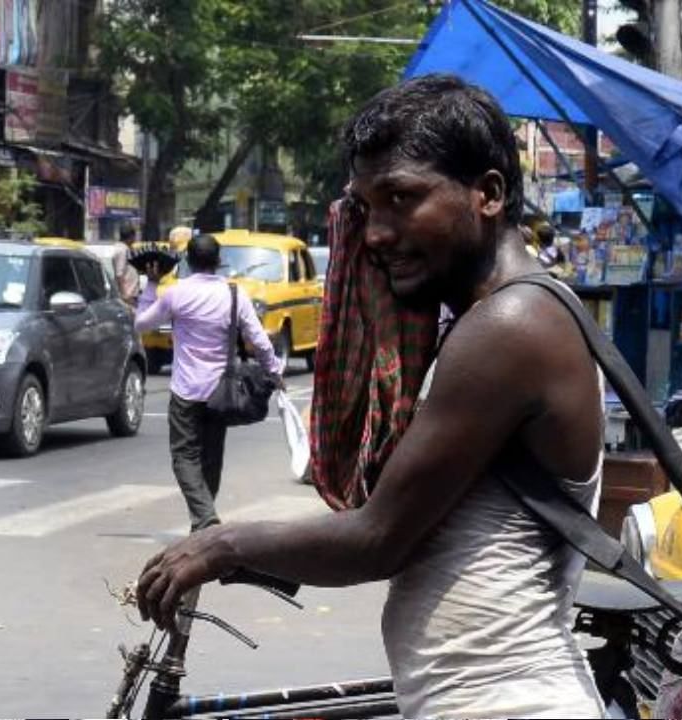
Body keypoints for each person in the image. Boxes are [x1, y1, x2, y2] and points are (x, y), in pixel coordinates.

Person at [135, 75, 607, 718]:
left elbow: (376, 538)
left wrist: (220, 546)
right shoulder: (491, 318)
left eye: (402, 198)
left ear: (488, 194)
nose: (377, 234)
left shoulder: (509, 326)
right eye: (364, 208)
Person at [133, 234, 284, 532]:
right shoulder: (234, 294)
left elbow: (141, 323)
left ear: (188, 261)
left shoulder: (175, 293)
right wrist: (275, 371)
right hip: (220, 392)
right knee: (211, 458)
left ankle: (204, 520)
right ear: (217, 262)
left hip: (186, 391)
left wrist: (152, 283)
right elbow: (259, 339)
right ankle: (203, 524)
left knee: (184, 457)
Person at [111, 223, 142, 307]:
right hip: (128, 295)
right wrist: (125, 294)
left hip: (132, 294)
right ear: (131, 236)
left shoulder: (126, 249)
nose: (135, 239)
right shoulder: (122, 250)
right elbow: (119, 274)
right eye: (134, 236)